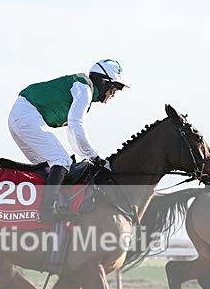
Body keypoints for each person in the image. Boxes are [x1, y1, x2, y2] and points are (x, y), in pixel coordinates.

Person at [8, 59, 129, 222]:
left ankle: (36, 211)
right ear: (103, 82)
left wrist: (87, 156)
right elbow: (76, 126)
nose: (113, 95)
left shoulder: (83, 88)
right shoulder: (84, 89)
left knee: (49, 166)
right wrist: (93, 156)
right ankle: (47, 212)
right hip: (26, 115)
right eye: (114, 89)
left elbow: (73, 132)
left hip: (21, 116)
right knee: (60, 160)